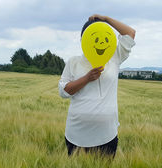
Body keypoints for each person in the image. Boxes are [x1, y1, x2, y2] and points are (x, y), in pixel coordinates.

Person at [58, 14, 136, 157]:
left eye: (104, 37)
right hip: (77, 134)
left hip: (106, 133)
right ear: (84, 39)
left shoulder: (115, 57)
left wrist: (106, 20)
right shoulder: (73, 62)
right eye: (94, 37)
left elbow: (130, 33)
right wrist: (87, 78)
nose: (100, 42)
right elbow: (64, 91)